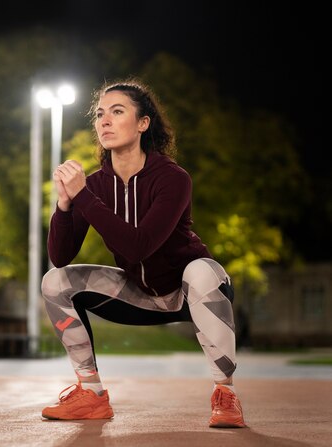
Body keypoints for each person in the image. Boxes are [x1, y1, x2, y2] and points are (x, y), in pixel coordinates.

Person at [40, 78, 246, 428]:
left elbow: (138, 246)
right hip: (138, 293)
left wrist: (84, 197)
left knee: (203, 269)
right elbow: (61, 256)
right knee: (55, 281)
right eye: (100, 114)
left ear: (142, 123)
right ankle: (91, 394)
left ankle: (225, 394)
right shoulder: (94, 185)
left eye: (117, 112)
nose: (104, 120)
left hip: (190, 292)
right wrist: (64, 204)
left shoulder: (172, 178)